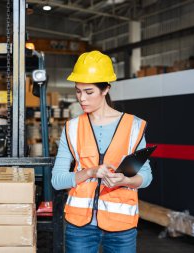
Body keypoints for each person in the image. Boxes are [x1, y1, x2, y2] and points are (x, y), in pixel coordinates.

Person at [51, 50, 153, 253]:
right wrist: (89, 172)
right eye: (78, 91)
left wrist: (124, 180)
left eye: (89, 92)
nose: (82, 98)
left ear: (106, 89)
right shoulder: (72, 127)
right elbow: (57, 180)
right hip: (80, 226)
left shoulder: (133, 126)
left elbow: (146, 177)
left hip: (121, 226)